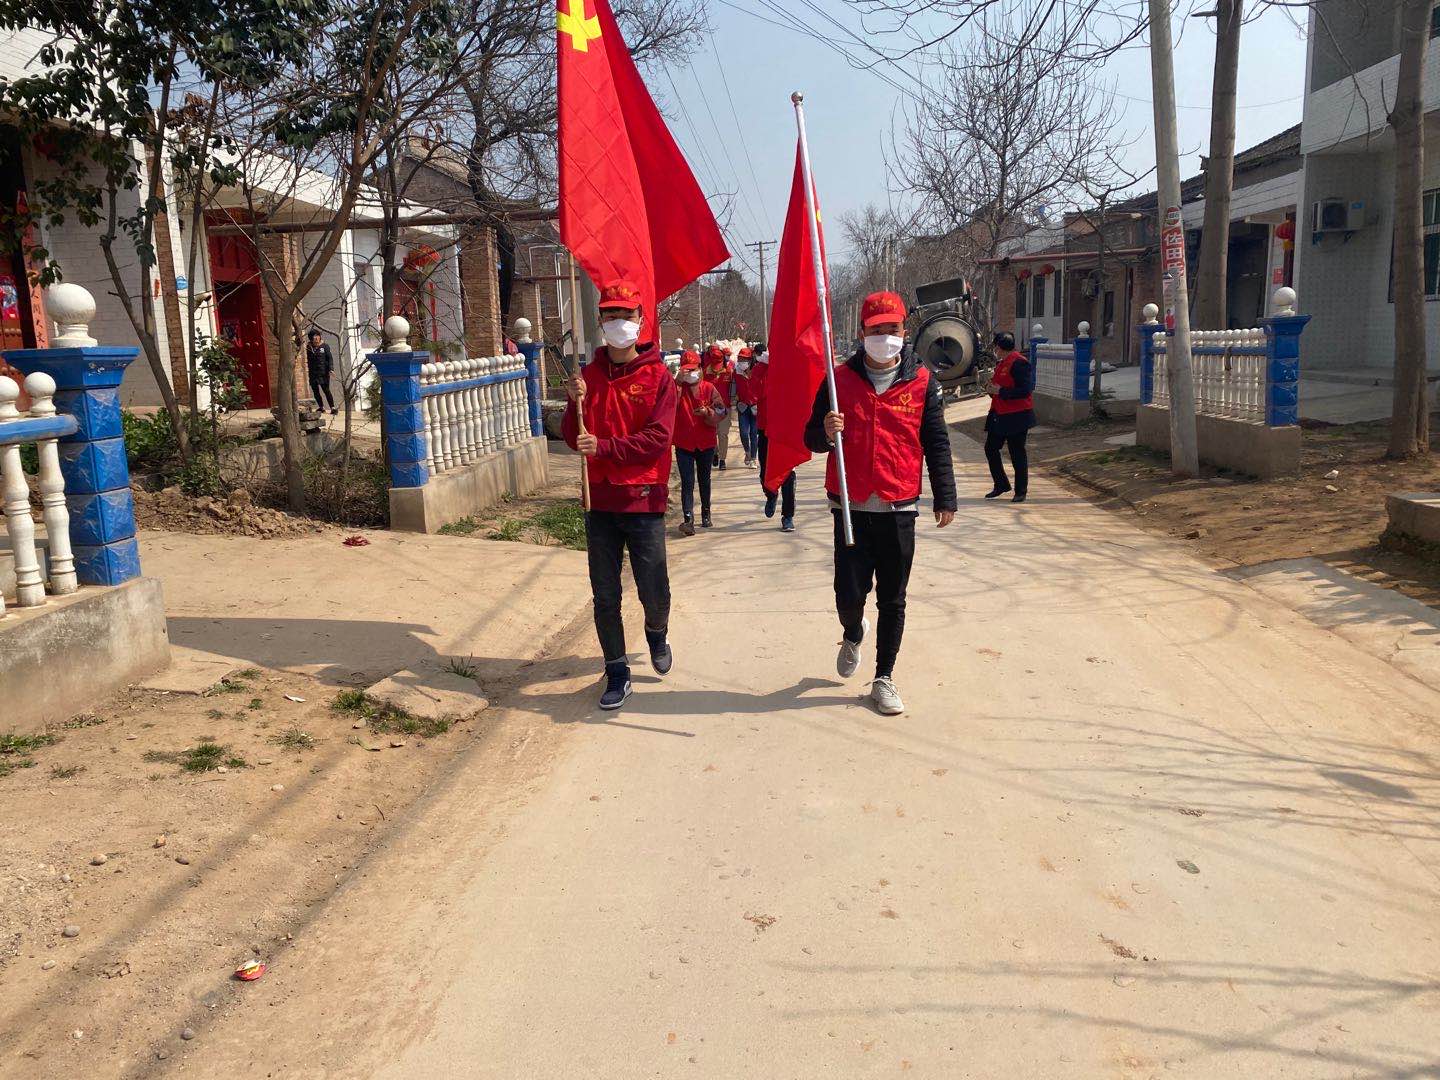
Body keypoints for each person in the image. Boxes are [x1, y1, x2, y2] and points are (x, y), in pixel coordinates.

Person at [804, 289, 956, 716]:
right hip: (851, 507)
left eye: (892, 329)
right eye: (876, 329)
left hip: (898, 506)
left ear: (905, 331)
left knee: (893, 598)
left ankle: (884, 677)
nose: (885, 337)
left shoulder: (922, 382)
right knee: (848, 595)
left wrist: (945, 495)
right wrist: (825, 430)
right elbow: (810, 438)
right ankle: (853, 631)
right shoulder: (837, 381)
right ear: (862, 333)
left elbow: (936, 442)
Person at [561, 280, 676, 711]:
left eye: (626, 315)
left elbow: (658, 439)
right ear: (600, 321)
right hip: (600, 501)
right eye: (611, 315)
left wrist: (606, 448)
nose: (619, 322)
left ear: (640, 321)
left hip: (643, 499)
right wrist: (573, 403)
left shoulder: (658, 377)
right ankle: (616, 671)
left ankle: (657, 633)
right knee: (605, 594)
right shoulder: (587, 377)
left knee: (653, 590)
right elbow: (573, 437)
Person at [673, 350, 725, 535]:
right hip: (683, 443)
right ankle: (688, 519)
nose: (689, 373)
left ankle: (706, 513)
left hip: (705, 442)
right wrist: (677, 382)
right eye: (686, 370)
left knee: (704, 480)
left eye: (692, 370)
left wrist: (708, 413)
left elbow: (721, 410)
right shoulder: (677, 389)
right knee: (687, 482)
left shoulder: (709, 388)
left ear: (700, 368)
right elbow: (666, 405)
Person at [984, 330, 1034, 503]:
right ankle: (1001, 484)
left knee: (1016, 452)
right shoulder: (1002, 363)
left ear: (1000, 347)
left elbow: (1025, 390)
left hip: (1017, 415)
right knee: (990, 448)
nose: (995, 350)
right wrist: (991, 390)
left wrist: (1001, 391)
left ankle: (1021, 491)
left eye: (996, 347)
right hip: (999, 413)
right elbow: (999, 387)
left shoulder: (1019, 363)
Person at [754, 349, 797, 532]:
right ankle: (771, 494)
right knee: (765, 472)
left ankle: (788, 516)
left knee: (787, 472)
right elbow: (754, 392)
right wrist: (766, 368)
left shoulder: (791, 367)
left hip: (786, 429)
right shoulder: (760, 368)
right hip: (765, 428)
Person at [701, 345, 735, 470]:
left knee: (723, 434)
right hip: (711, 409)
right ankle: (715, 452)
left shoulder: (729, 371)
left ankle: (722, 459)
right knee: (712, 433)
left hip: (725, 408)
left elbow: (734, 388)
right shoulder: (705, 372)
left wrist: (734, 400)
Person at [733, 345, 761, 468]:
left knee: (753, 434)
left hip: (755, 407)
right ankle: (747, 452)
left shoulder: (757, 371)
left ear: (750, 360)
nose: (741, 362)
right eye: (740, 359)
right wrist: (733, 400)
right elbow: (733, 387)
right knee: (744, 433)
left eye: (744, 359)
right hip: (742, 406)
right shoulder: (736, 372)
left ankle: (753, 458)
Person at [305, 328, 337, 415]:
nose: (316, 338)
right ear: (311, 338)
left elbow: (329, 358)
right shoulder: (309, 347)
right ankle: (321, 407)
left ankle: (332, 408)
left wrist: (331, 369)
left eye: (317, 336)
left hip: (323, 373)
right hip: (313, 373)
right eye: (314, 337)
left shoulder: (325, 346)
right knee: (315, 391)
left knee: (326, 390)